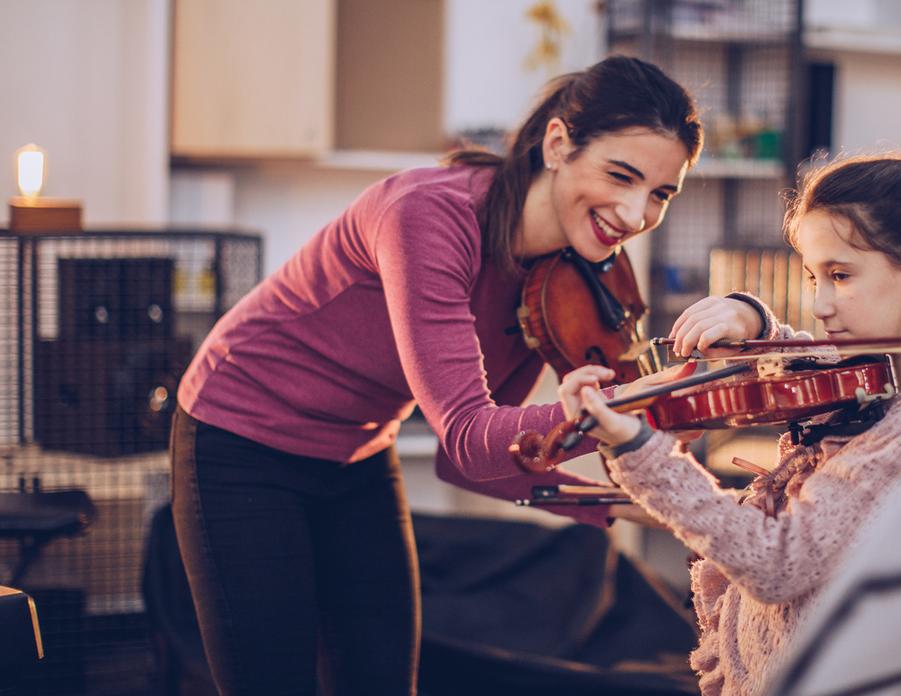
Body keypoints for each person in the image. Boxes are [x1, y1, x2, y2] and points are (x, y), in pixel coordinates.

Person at [169, 55, 703, 695]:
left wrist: (626, 504)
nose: (635, 213)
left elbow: (476, 463)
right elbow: (470, 434)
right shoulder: (428, 214)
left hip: (358, 450)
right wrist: (642, 407)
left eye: (660, 195)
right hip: (241, 435)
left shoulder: (558, 276)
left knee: (385, 679)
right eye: (621, 176)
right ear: (558, 144)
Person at [557, 155, 901, 696]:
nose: (820, 304)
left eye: (840, 276)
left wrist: (642, 450)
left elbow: (777, 563)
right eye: (814, 276)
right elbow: (813, 365)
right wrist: (754, 318)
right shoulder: (891, 381)